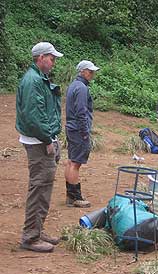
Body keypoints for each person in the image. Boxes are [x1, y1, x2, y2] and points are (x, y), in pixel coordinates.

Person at [16, 42, 63, 252]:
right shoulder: (33, 81)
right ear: (41, 57)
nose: (53, 63)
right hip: (39, 142)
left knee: (44, 188)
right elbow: (34, 117)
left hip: (42, 139)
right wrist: (48, 140)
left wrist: (51, 137)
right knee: (39, 188)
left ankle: (37, 229)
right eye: (52, 58)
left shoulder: (38, 79)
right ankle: (31, 237)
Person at [64, 60, 100, 208]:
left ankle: (70, 195)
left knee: (71, 161)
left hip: (72, 128)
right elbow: (81, 112)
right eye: (90, 71)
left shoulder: (74, 85)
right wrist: (85, 133)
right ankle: (75, 197)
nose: (92, 74)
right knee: (75, 163)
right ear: (82, 71)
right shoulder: (81, 88)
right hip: (78, 130)